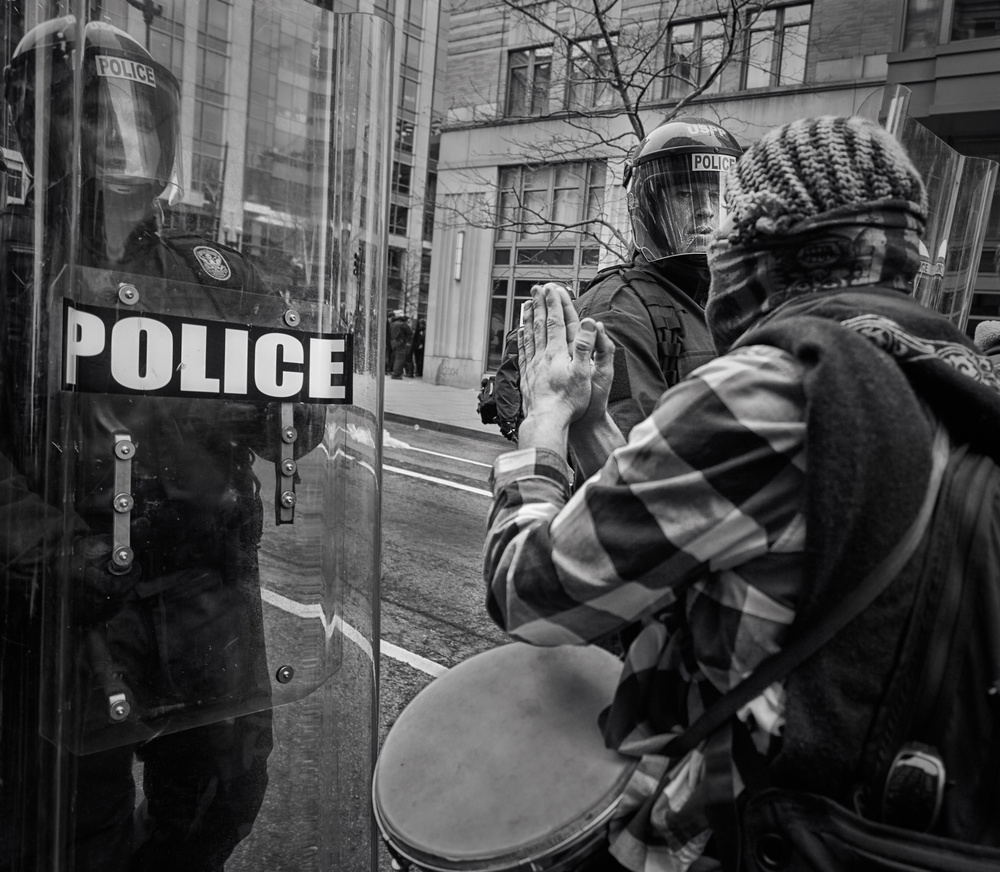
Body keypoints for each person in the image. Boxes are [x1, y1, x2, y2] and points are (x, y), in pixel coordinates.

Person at [482, 115, 1000, 871]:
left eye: (729, 221)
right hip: (884, 826)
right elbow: (729, 539)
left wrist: (545, 424)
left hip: (732, 834)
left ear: (764, 243)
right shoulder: (947, 373)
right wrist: (597, 429)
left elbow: (532, 592)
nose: (713, 241)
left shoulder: (778, 386)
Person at [0, 17, 319, 871]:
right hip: (69, 611)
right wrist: (46, 551)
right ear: (36, 124)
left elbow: (299, 412)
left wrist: (279, 411)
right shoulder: (12, 267)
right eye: (93, 115)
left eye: (138, 118)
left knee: (224, 794)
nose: (119, 138)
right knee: (69, 833)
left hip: (207, 595)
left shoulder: (212, 276)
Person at [484, 116, 742, 444]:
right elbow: (623, 454)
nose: (706, 210)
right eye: (684, 194)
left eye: (715, 195)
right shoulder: (617, 309)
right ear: (650, 207)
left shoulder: (730, 297)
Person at [389, 308, 413, 379]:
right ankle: (396, 373)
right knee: (400, 358)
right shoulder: (403, 324)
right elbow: (410, 333)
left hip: (393, 342)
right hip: (400, 342)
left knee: (396, 358)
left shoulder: (392, 324)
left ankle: (397, 372)